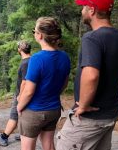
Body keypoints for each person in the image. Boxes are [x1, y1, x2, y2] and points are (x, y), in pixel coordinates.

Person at [56, 0, 118, 150]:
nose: (82, 11)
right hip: (111, 112)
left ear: (92, 11)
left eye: (84, 7)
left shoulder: (92, 38)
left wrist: (83, 106)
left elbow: (92, 75)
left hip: (89, 119)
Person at [17, 17, 70, 150]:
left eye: (34, 31)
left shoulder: (36, 59)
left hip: (34, 112)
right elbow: (64, 84)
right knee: (49, 145)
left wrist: (19, 106)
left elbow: (29, 91)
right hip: (54, 109)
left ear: (40, 35)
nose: (34, 33)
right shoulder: (64, 57)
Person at [0, 40, 31, 146]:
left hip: (22, 94)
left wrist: (20, 96)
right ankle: (24, 134)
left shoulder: (25, 63)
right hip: (26, 94)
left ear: (19, 50)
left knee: (14, 115)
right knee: (24, 114)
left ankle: (4, 137)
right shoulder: (32, 60)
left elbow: (25, 82)